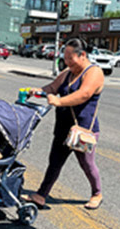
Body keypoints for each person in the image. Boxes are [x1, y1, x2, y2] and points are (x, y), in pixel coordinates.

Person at [30, 41, 109, 210]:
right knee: (55, 162)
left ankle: (97, 194)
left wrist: (59, 101)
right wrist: (37, 91)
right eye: (65, 57)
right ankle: (41, 195)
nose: (67, 61)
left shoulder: (94, 72)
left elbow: (84, 94)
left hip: (83, 129)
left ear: (82, 55)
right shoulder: (68, 72)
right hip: (63, 127)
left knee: (87, 164)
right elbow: (52, 86)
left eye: (70, 57)